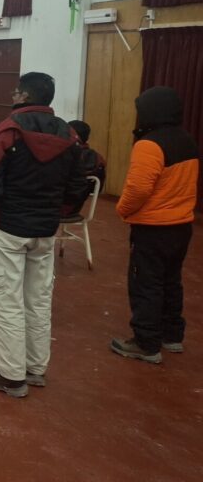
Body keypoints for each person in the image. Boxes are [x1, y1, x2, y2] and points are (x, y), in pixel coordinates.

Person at [0, 71, 86, 398]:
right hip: (45, 230)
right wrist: (55, 213)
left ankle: (10, 374)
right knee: (38, 299)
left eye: (15, 92)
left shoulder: (8, 132)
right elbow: (78, 184)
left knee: (6, 300)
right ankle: (35, 367)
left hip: (7, 228)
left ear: (23, 96)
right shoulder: (69, 135)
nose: (12, 96)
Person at [111, 86, 199, 364]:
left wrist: (122, 209)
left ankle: (146, 343)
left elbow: (138, 189)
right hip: (181, 226)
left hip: (153, 228)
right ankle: (172, 336)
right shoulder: (187, 140)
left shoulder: (148, 144)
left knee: (146, 283)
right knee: (171, 281)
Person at [62, 120, 107, 216]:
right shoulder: (98, 158)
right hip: (75, 208)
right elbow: (97, 189)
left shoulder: (64, 154)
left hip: (55, 208)